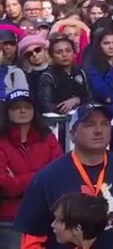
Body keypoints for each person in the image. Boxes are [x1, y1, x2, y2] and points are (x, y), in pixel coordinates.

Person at [14, 104, 113, 249]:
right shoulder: (48, 177)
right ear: (72, 134)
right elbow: (32, 237)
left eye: (105, 124)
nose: (99, 131)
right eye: (89, 125)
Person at [0, 89, 63, 247]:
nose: (22, 111)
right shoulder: (1, 141)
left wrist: (20, 179)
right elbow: (6, 186)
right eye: (16, 107)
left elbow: (60, 175)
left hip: (48, 214)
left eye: (27, 107)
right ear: (6, 112)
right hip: (10, 217)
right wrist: (43, 174)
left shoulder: (47, 138)